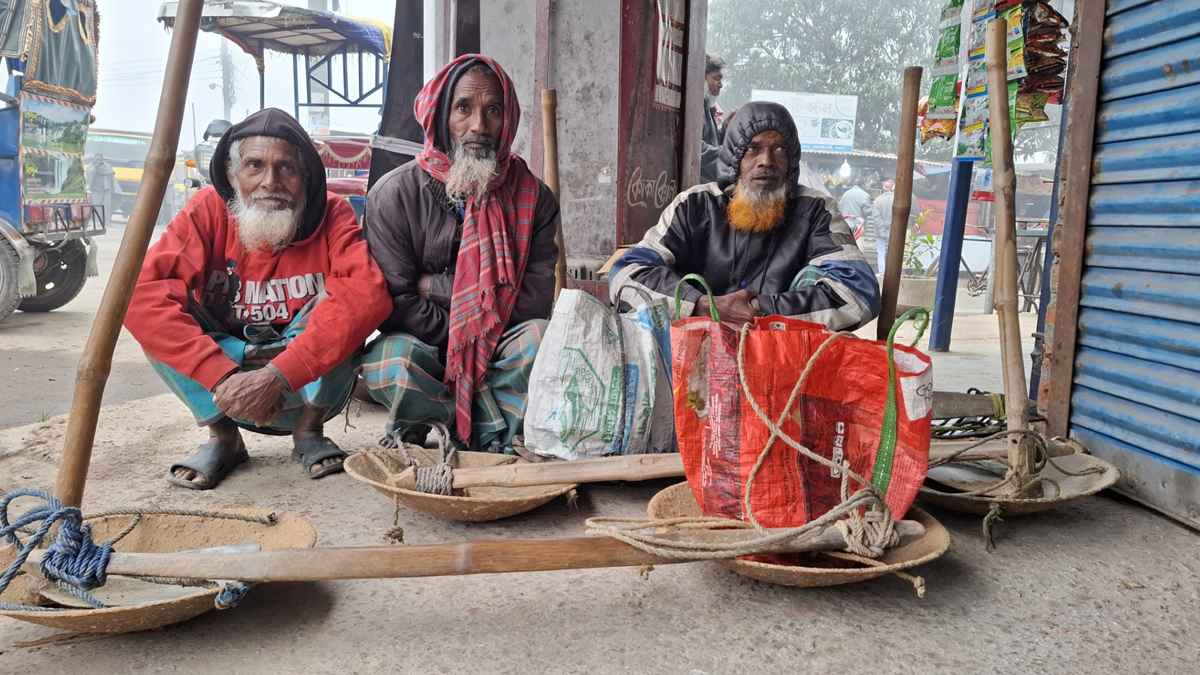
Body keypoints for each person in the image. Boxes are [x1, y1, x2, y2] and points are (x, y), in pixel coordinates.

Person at [124, 108, 392, 489]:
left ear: (306, 178)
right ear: (234, 176)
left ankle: (308, 432)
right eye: (255, 166)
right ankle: (224, 437)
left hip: (304, 376)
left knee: (346, 309)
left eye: (287, 168)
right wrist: (224, 376)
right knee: (156, 319)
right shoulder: (206, 210)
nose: (271, 181)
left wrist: (277, 374)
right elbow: (142, 294)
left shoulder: (332, 213)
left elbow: (367, 296)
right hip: (229, 375)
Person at [363, 54, 559, 452]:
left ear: (509, 120)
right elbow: (396, 302)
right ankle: (432, 422)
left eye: (493, 111)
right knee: (392, 362)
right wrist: (463, 337)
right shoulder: (392, 194)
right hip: (423, 343)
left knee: (539, 340)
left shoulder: (534, 197)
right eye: (463, 108)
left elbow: (533, 303)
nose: (479, 127)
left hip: (499, 338)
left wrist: (434, 286)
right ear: (440, 115)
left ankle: (486, 436)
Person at [609, 101, 879, 331]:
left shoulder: (815, 211)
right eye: (753, 148)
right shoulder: (694, 205)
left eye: (780, 150)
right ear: (734, 156)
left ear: (792, 161)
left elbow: (857, 294)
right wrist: (703, 305)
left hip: (783, 364)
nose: (767, 161)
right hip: (693, 358)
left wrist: (761, 310)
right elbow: (627, 274)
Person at [700, 54, 726, 184]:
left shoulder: (707, 107)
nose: (720, 85)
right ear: (702, 79)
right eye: (716, 78)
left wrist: (726, 127)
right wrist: (727, 151)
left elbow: (712, 142)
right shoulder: (695, 108)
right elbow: (696, 147)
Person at [868, 179, 896, 274]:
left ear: (883, 188)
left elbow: (876, 218)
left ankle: (882, 273)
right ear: (893, 187)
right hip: (894, 231)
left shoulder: (877, 200)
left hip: (880, 232)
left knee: (881, 252)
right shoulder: (897, 200)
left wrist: (882, 230)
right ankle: (892, 272)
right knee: (893, 252)